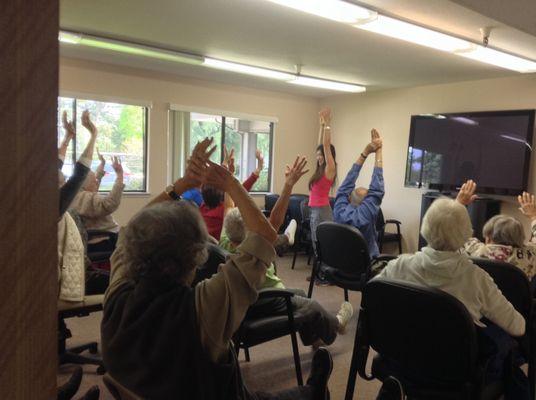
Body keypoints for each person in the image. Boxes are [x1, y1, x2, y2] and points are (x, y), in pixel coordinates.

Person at [101, 138, 334, 400]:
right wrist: (231, 183)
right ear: (196, 258)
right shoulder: (202, 309)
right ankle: (315, 393)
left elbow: (131, 230)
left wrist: (183, 184)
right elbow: (266, 235)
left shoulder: (116, 296)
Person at [374, 183, 528, 400]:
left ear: (426, 225)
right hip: (454, 371)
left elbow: (373, 296)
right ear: (467, 233)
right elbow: (518, 327)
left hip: (402, 359)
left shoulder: (400, 265)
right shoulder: (476, 278)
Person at [220, 156, 353, 347]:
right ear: (251, 233)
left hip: (248, 299)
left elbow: (228, 207)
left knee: (300, 293)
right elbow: (274, 221)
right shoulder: (252, 250)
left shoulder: (226, 239)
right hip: (267, 298)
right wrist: (289, 184)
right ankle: (337, 325)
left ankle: (313, 339)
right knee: (312, 306)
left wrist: (229, 177)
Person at [463, 184, 536, 280]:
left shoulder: (476, 251)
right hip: (514, 295)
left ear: (488, 237)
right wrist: (533, 215)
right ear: (520, 238)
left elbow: (453, 230)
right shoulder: (529, 256)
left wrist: (460, 203)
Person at [333, 129, 384, 259]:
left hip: (340, 266)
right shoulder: (366, 214)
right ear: (366, 202)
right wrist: (379, 150)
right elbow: (377, 188)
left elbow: (345, 186)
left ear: (349, 198)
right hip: (366, 268)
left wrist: (365, 153)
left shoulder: (338, 211)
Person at [200, 146, 264, 240]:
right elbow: (242, 189)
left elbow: (215, 183)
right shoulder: (224, 210)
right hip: (222, 250)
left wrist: (225, 163)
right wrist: (259, 167)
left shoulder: (202, 209)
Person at [70, 155, 125, 254]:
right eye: (93, 180)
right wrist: (120, 176)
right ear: (85, 184)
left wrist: (101, 166)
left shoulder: (77, 196)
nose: (96, 181)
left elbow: (92, 190)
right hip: (105, 239)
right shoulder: (85, 197)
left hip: (96, 239)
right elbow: (109, 204)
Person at [308, 108, 337, 284]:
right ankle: (320, 273)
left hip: (322, 211)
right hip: (315, 211)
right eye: (317, 155)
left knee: (323, 244)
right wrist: (320, 126)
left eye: (321, 156)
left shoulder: (330, 169)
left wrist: (327, 125)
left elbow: (325, 145)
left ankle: (327, 275)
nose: (318, 157)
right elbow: (320, 145)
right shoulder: (320, 168)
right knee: (315, 242)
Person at [58, 110, 98, 217]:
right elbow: (80, 172)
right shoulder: (55, 202)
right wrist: (94, 134)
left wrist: (67, 137)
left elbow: (57, 164)